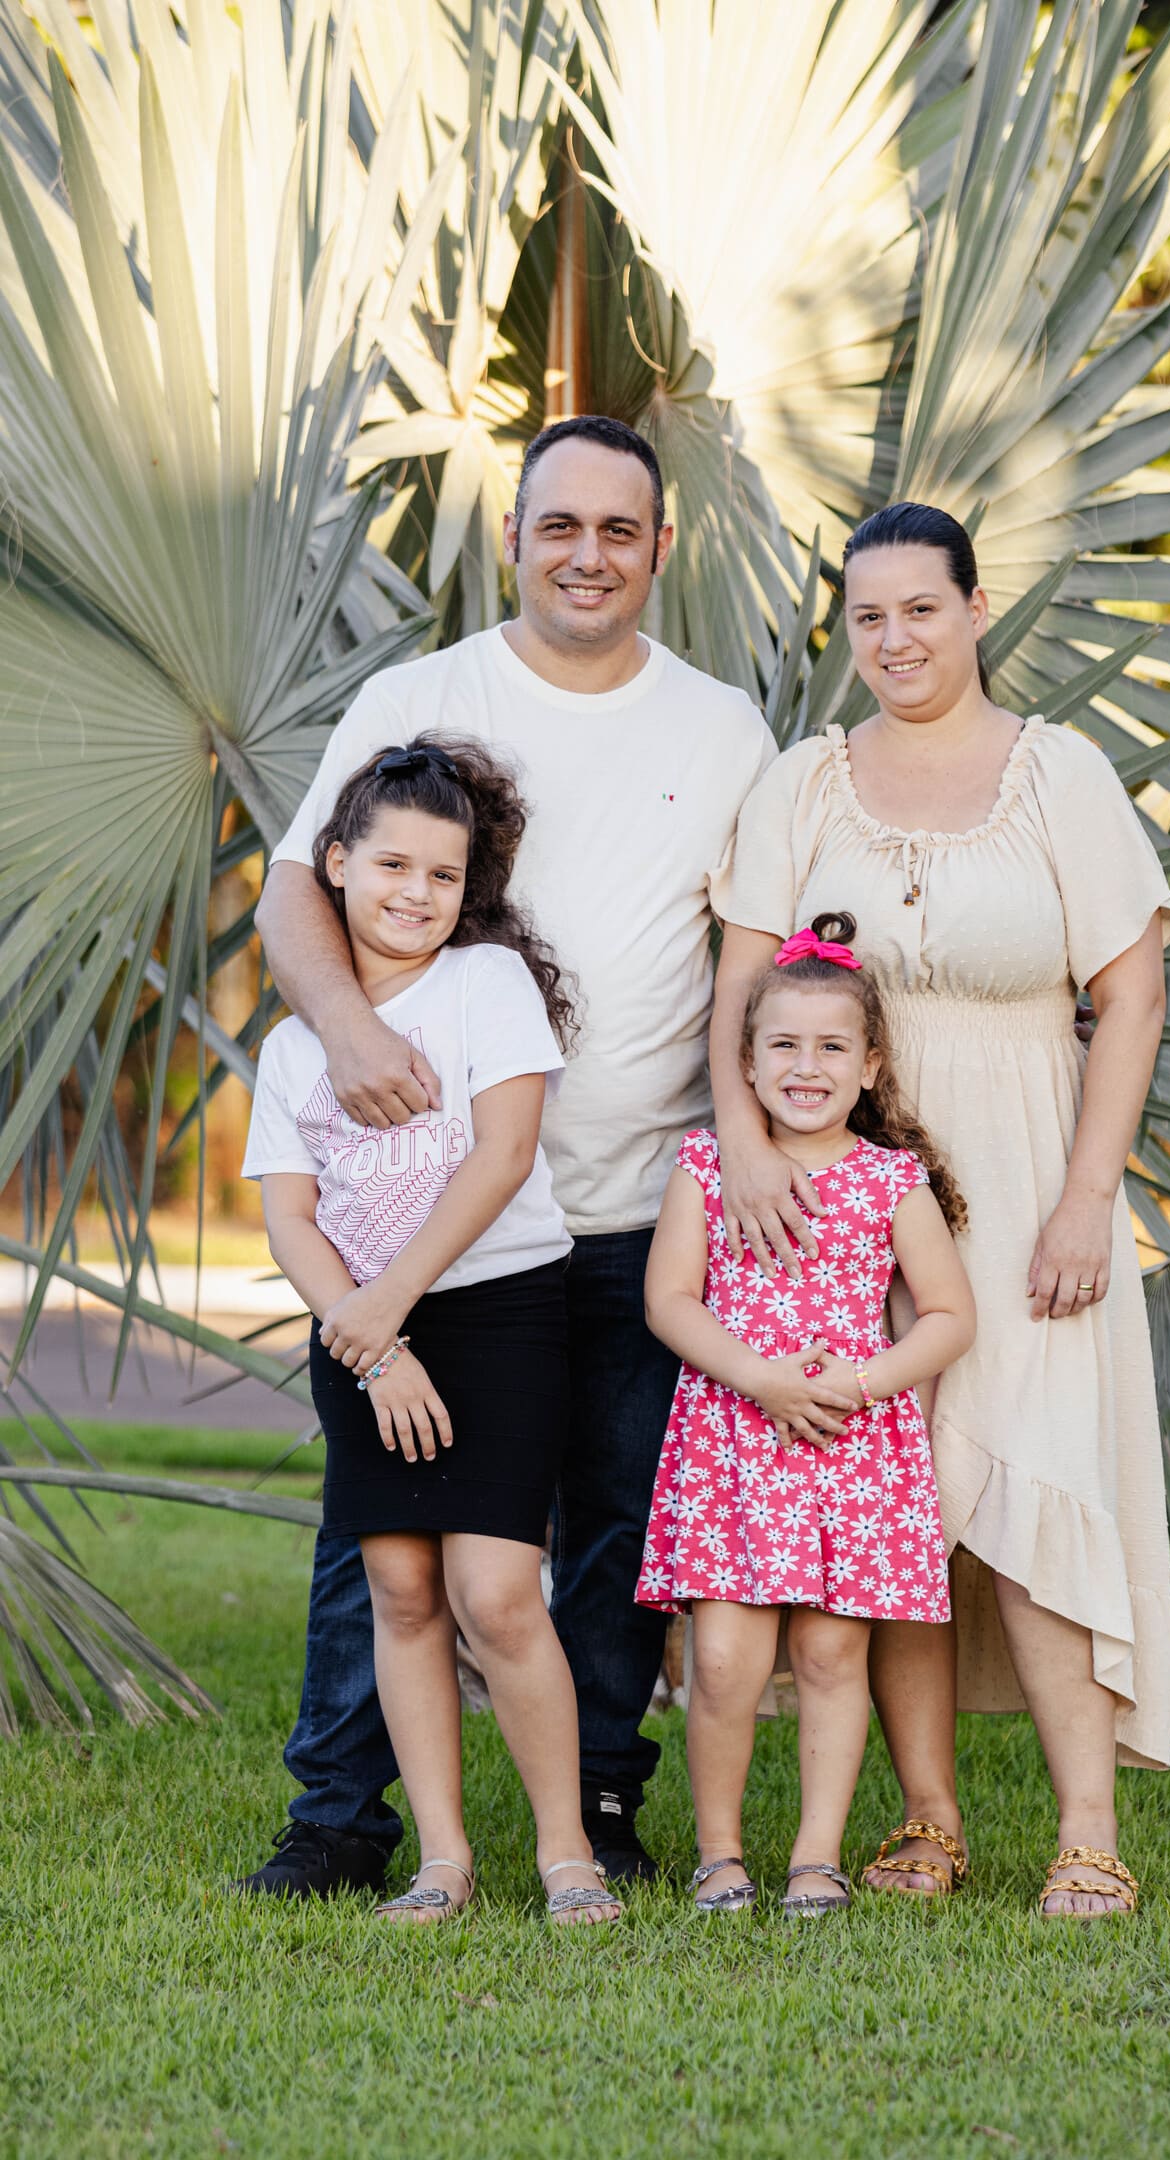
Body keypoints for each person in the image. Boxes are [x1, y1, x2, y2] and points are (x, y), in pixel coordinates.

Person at [237, 415, 775, 1899]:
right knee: (386, 1544)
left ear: (661, 547)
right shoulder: (422, 695)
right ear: (515, 537)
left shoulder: (726, 725)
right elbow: (297, 883)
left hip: (626, 1204)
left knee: (613, 1526)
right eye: (559, 525)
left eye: (620, 529)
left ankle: (596, 1803)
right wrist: (344, 1029)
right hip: (404, 1219)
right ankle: (342, 1815)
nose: (587, 554)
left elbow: (756, 953)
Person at [711, 502, 1170, 1919]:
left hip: (1030, 1168)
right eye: (867, 616)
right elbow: (738, 993)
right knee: (889, 1502)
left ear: (979, 610)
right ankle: (927, 1823)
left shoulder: (1064, 777)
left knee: (1034, 1481)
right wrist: (749, 1159)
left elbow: (1132, 994)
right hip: (836, 1191)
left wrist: (1090, 1196)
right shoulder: (802, 784)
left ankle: (1088, 1835)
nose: (895, 639)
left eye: (922, 608)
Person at [242, 736, 620, 1925]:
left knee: (498, 1592)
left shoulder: (485, 988)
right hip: (361, 1338)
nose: (416, 893)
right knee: (400, 1592)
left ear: (471, 891)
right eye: (392, 865)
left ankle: (569, 1857)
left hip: (497, 1312)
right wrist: (371, 1340)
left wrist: (392, 1307)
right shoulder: (295, 1045)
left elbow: (505, 1158)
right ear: (335, 865)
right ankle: (442, 1863)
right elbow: (291, 1217)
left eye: (444, 876)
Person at [640, 915, 974, 1918]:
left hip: (850, 1450)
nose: (806, 1065)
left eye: (832, 1047)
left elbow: (951, 1317)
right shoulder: (707, 1169)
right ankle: (720, 1854)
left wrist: (861, 1383)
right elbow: (668, 1302)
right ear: (745, 1062)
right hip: (735, 1443)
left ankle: (815, 1858)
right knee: (727, 1660)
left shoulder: (889, 1180)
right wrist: (761, 1379)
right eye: (782, 1044)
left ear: (870, 1066)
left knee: (833, 1657)